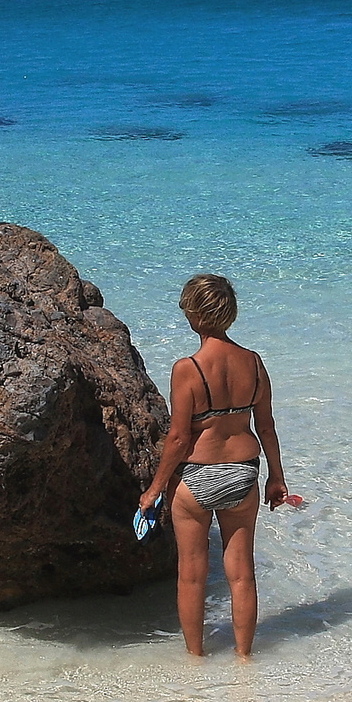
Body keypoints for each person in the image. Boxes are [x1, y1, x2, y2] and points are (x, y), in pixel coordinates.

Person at [139, 274, 287, 658]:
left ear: (194, 315)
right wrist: (277, 478)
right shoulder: (253, 363)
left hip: (196, 476)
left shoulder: (187, 368)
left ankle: (194, 661)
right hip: (243, 472)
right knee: (241, 572)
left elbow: (177, 439)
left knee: (191, 575)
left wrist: (154, 489)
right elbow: (266, 426)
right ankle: (243, 659)